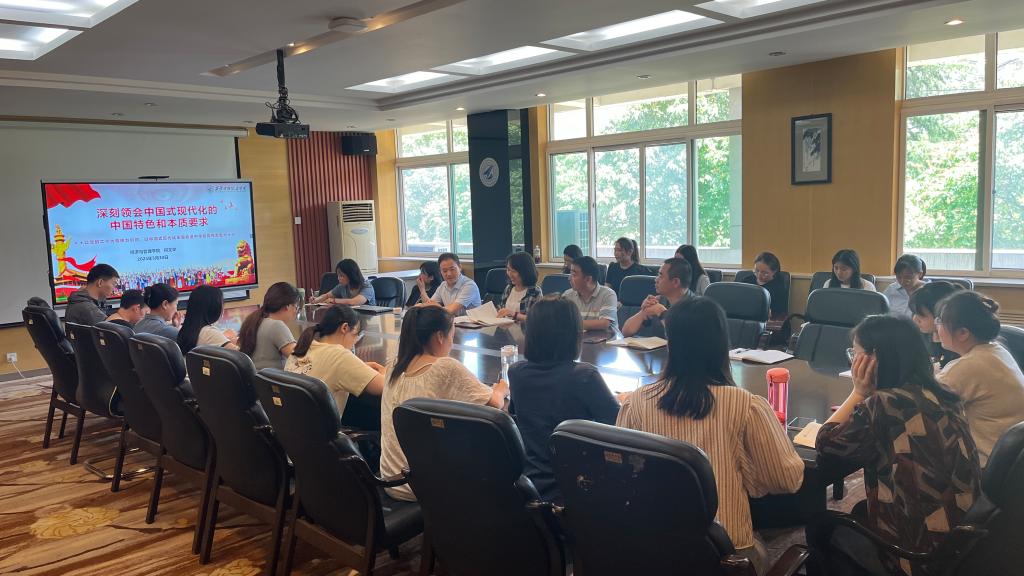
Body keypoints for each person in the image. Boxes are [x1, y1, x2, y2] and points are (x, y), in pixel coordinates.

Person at [617, 297, 803, 573]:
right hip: (725, 555)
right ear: (721, 345)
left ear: (671, 344)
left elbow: (623, 475)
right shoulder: (745, 405)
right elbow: (787, 479)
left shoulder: (637, 402)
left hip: (654, 548)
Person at [809, 315, 981, 576]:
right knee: (859, 510)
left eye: (855, 354)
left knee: (821, 524)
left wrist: (858, 393)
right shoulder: (943, 394)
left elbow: (825, 442)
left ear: (874, 359)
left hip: (917, 558)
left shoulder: (885, 404)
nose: (852, 362)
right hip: (960, 543)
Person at [379, 306, 508, 501]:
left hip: (392, 479)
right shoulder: (444, 367)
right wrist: (502, 388)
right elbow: (495, 404)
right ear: (440, 336)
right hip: (424, 486)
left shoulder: (394, 364)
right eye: (452, 336)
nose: (452, 344)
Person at [509, 297, 620, 503]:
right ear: (574, 335)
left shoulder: (516, 373)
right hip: (577, 487)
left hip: (531, 484)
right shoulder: (584, 376)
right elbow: (618, 423)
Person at [935, 291, 1024, 467]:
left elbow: (923, 401)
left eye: (940, 321)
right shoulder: (997, 350)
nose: (936, 327)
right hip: (1014, 463)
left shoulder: (968, 366)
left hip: (987, 465)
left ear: (963, 333)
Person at [285, 305, 385, 415]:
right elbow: (384, 386)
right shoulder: (339, 356)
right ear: (344, 328)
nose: (355, 341)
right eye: (356, 335)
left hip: (290, 423)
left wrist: (359, 366)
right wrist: (385, 372)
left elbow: (327, 367)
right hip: (322, 425)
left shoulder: (302, 347)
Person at [621, 257, 692, 338]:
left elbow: (679, 337)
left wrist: (661, 312)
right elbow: (626, 332)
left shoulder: (696, 308)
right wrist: (643, 312)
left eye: (661, 276)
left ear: (675, 282)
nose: (656, 280)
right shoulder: (660, 300)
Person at [238, 282, 299, 371]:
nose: (296, 311)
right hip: (275, 379)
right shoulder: (276, 326)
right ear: (287, 306)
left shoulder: (253, 321)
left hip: (258, 378)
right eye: (296, 307)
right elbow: (299, 359)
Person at [908, 281, 963, 368]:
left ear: (942, 314)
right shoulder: (922, 335)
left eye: (921, 316)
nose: (914, 319)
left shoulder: (959, 344)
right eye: (914, 313)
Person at [177, 285, 238, 355]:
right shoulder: (209, 332)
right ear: (215, 308)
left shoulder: (187, 329)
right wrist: (237, 341)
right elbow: (242, 356)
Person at [562, 256, 618, 331]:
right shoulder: (567, 295)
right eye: (570, 274)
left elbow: (604, 323)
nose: (569, 278)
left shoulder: (608, 294)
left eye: (574, 275)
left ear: (588, 279)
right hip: (579, 338)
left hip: (606, 338)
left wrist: (570, 324)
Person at [739, 252, 789, 319]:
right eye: (756, 270)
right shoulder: (746, 281)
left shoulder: (779, 286)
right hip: (745, 318)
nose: (759, 275)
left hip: (768, 320)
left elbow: (781, 312)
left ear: (774, 272)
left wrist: (770, 313)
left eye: (765, 273)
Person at [496, 251, 542, 321]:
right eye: (508, 270)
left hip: (523, 328)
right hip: (505, 326)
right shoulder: (509, 288)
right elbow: (501, 308)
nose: (509, 274)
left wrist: (514, 314)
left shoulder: (535, 292)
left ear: (525, 272)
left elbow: (536, 320)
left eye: (513, 271)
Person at [883, 254, 927, 319]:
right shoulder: (892, 289)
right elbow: (880, 311)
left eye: (908, 277)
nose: (902, 281)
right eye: (899, 277)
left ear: (920, 274)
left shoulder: (928, 292)